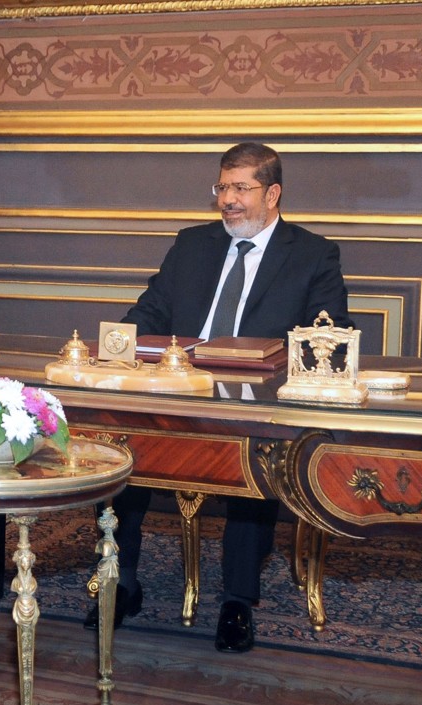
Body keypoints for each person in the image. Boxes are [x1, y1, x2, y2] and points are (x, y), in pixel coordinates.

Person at [89, 142, 353, 653]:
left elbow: (330, 331)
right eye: (222, 188)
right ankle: (120, 580)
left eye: (240, 189)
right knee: (119, 445)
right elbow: (150, 311)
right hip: (179, 390)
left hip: (256, 399)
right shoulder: (193, 244)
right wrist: (112, 350)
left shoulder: (313, 253)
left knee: (253, 464)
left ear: (272, 193)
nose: (228, 200)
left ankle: (237, 599)